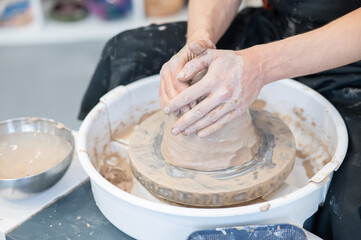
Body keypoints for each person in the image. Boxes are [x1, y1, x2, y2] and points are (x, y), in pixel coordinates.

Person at [79, 1, 361, 239]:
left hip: (350, 58)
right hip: (277, 29)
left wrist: (261, 66)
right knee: (128, 53)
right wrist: (198, 47)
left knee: (350, 210)